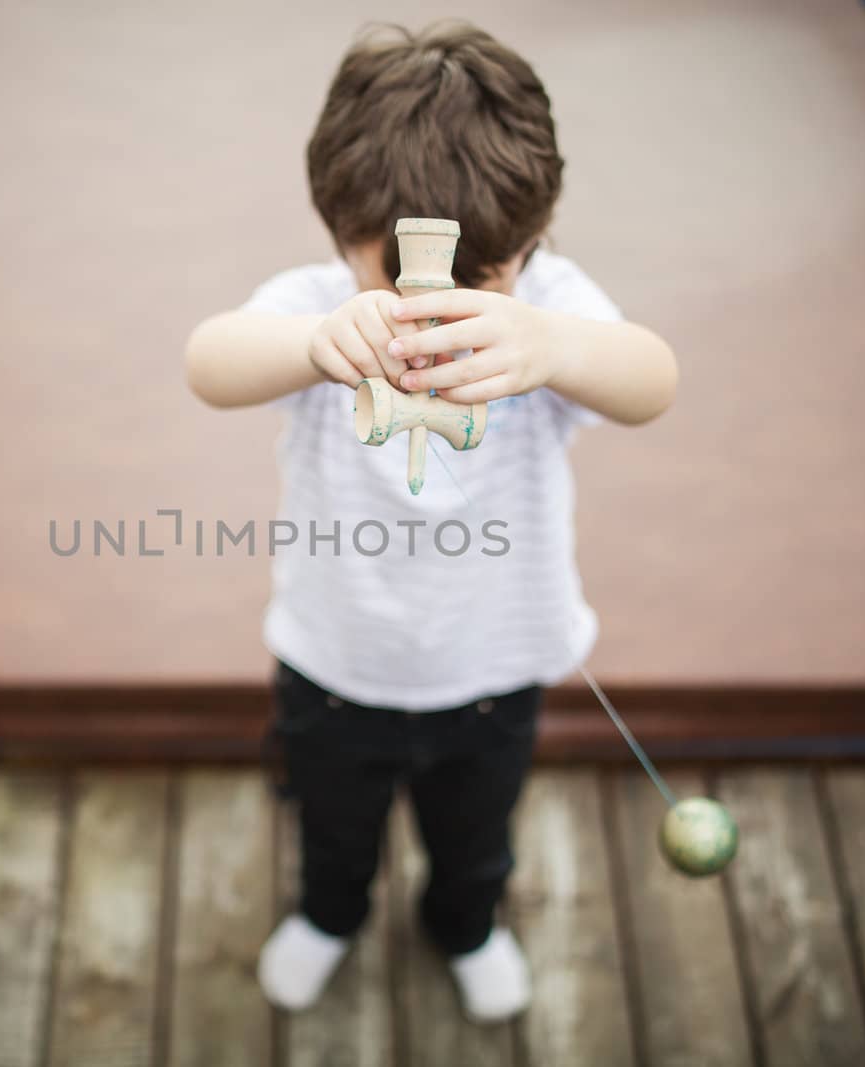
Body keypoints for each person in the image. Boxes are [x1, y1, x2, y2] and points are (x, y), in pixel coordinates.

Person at [183, 21, 678, 1023]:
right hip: (334, 661)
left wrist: (550, 343)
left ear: (529, 248)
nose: (434, 311)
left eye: (478, 281)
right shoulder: (318, 309)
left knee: (476, 833)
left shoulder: (552, 314)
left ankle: (464, 922)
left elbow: (650, 383)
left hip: (492, 669)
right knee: (331, 823)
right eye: (396, 278)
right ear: (341, 240)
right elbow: (210, 362)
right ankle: (330, 911)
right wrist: (321, 341)